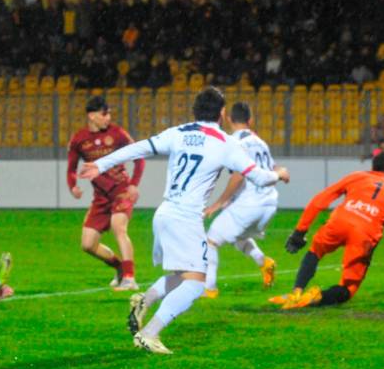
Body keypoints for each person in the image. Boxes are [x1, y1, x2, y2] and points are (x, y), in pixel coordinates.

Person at [79, 87, 290, 354]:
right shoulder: (227, 143)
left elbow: (139, 148)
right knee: (195, 284)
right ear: (222, 114)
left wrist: (101, 164)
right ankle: (150, 333)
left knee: (182, 276)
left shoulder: (178, 133)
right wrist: (279, 173)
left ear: (195, 111)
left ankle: (144, 301)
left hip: (165, 213)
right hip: (186, 218)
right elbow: (259, 177)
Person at [272, 152, 384, 309]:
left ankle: (296, 291)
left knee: (315, 251)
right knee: (349, 287)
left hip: (340, 220)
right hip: (365, 233)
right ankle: (316, 297)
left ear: (373, 167)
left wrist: (300, 232)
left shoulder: (357, 176)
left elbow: (320, 199)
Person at [67, 96, 145, 291]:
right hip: (100, 197)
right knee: (87, 244)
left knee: (119, 227)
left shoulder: (118, 134)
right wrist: (73, 185)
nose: (108, 117)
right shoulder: (79, 139)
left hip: (121, 190)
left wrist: (134, 184)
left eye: (109, 113)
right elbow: (71, 167)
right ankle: (119, 267)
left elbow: (139, 158)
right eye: (104, 113)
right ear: (92, 116)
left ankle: (129, 278)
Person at [202, 102, 278, 298]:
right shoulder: (261, 142)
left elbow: (239, 175)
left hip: (251, 204)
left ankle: (209, 288)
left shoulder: (232, 142)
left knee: (210, 240)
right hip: (269, 204)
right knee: (237, 236)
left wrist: (219, 203)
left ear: (228, 119)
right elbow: (272, 170)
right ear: (250, 120)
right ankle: (264, 262)